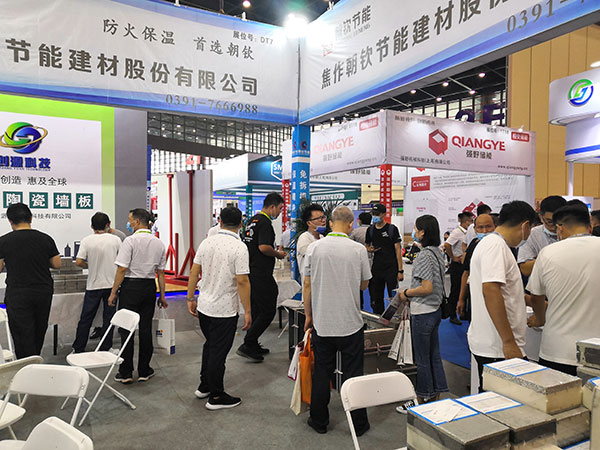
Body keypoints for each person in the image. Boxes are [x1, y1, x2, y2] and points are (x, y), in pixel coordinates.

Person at [303, 206, 371, 436]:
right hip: (351, 323)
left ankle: (319, 420)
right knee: (354, 375)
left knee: (322, 372)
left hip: (323, 323)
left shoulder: (315, 248)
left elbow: (307, 285)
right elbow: (364, 284)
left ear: (331, 223)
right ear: (351, 224)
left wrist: (309, 315)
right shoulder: (358, 250)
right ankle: (358, 424)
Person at [186, 206, 252, 410]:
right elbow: (242, 281)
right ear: (241, 224)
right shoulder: (239, 247)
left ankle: (204, 385)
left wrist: (190, 297)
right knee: (218, 352)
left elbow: (194, 271)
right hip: (224, 310)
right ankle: (216, 396)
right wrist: (248, 311)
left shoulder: (207, 242)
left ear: (220, 221)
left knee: (210, 345)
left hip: (204, 306)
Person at [468, 201, 536, 390]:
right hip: (498, 346)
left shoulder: (493, 245)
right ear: (525, 226)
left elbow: (505, 291)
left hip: (496, 344)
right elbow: (490, 290)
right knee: (503, 400)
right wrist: (508, 341)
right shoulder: (495, 246)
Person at [527, 205, 600, 376]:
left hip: (557, 350)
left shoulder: (548, 253)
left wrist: (540, 318)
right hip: (596, 349)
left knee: (557, 392)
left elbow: (536, 297)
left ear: (559, 228)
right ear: (590, 226)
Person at [396, 215, 448, 412]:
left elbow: (426, 288)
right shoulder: (437, 252)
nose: (414, 232)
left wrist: (406, 293)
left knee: (422, 359)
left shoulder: (425, 255)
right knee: (433, 355)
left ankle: (421, 398)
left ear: (423, 232)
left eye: (416, 229)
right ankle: (435, 395)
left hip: (424, 311)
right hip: (434, 310)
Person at [109, 209, 167, 383]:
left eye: (130, 220)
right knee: (145, 329)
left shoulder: (130, 241)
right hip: (149, 287)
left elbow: (122, 269)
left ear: (137, 222)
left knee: (126, 329)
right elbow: (161, 273)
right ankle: (144, 370)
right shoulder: (159, 243)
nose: (128, 223)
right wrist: (162, 295)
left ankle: (126, 372)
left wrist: (113, 292)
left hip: (130, 287)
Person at [0, 203, 60, 358]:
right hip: (42, 292)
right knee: (39, 329)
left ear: (10, 221)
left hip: (18, 293)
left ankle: (26, 364)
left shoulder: (4, 241)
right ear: (31, 218)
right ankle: (35, 359)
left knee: (22, 333)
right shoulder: (45, 239)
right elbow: (56, 264)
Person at [237, 192, 286, 362]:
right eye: (280, 208)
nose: (280, 212)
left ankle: (252, 343)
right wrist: (278, 254)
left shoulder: (252, 220)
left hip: (251, 270)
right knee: (268, 310)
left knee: (257, 310)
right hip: (261, 274)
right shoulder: (265, 223)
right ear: (272, 207)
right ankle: (248, 343)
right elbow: (264, 247)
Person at [72, 212, 122, 353]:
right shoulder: (116, 240)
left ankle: (78, 348)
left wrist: (90, 265)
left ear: (92, 226)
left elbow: (79, 262)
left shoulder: (87, 240)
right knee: (109, 318)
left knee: (86, 318)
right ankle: (106, 347)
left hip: (93, 285)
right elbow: (122, 262)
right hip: (112, 286)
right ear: (108, 224)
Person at [457, 214, 496, 321]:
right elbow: (466, 273)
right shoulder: (473, 245)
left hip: (495, 297)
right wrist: (461, 299)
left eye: (488, 226)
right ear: (475, 229)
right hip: (474, 297)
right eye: (480, 227)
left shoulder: (501, 246)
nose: (484, 231)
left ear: (495, 227)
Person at [365, 203, 403, 315]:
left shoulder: (392, 229)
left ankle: (394, 317)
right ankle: (378, 318)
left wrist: (400, 270)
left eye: (377, 214)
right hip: (377, 269)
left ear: (384, 214)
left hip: (391, 268)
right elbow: (367, 245)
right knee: (376, 297)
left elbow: (398, 250)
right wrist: (370, 249)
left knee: (393, 297)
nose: (375, 216)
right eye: (373, 214)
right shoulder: (370, 230)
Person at [518, 196, 566, 277]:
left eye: (559, 222)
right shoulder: (533, 234)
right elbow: (525, 269)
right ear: (541, 217)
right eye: (549, 221)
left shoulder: (573, 233)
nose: (555, 226)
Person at [443, 211, 474, 325]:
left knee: (465, 289)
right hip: (457, 265)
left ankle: (463, 313)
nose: (472, 223)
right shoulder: (457, 232)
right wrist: (453, 257)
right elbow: (447, 245)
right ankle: (452, 315)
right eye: (471, 221)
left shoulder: (469, 232)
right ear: (466, 222)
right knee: (455, 290)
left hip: (466, 264)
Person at [297, 204, 326, 280]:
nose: (323, 221)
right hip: (310, 282)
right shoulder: (304, 238)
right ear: (309, 223)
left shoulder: (322, 237)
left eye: (323, 217)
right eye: (319, 218)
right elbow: (313, 257)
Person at [350, 212, 373, 309]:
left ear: (360, 221)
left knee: (359, 286)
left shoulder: (355, 232)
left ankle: (360, 306)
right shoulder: (374, 230)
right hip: (373, 261)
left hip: (358, 262)